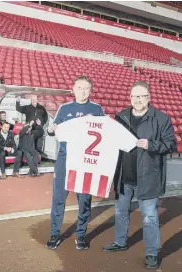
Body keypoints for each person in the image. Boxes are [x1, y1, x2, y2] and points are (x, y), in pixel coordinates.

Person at [102, 81, 177, 270]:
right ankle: (120, 242)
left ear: (149, 97)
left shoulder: (161, 118)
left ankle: (152, 253)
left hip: (148, 177)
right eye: (134, 95)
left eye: (142, 95)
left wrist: (151, 145)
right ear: (130, 97)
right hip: (124, 175)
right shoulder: (121, 117)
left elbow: (171, 144)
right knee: (120, 212)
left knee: (150, 217)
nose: (138, 99)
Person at [45, 75, 105, 250]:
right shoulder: (64, 108)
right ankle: (55, 233)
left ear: (91, 90)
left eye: (86, 88)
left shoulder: (97, 109)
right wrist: (50, 128)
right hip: (66, 158)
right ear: (73, 89)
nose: (83, 91)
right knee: (58, 198)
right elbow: (52, 130)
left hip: (86, 160)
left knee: (84, 199)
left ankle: (81, 235)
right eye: (79, 87)